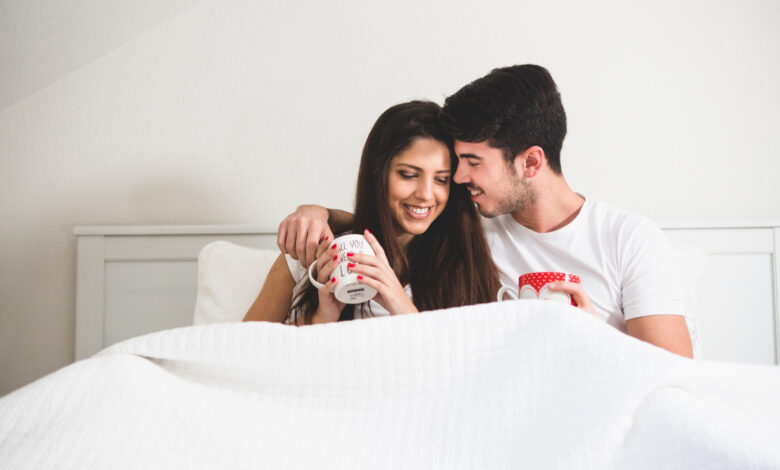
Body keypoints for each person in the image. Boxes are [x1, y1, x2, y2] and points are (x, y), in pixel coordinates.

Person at [276, 65, 693, 357]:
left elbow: (673, 379)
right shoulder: (468, 229)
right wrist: (312, 212)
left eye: (472, 162)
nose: (457, 179)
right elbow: (381, 221)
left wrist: (592, 336)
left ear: (530, 163)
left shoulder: (628, 239)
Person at [243, 100, 500, 325]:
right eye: (408, 175)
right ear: (378, 176)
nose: (426, 194)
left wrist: (399, 304)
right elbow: (240, 349)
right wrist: (320, 319)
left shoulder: (467, 258)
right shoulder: (312, 253)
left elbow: (473, 364)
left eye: (441, 179)